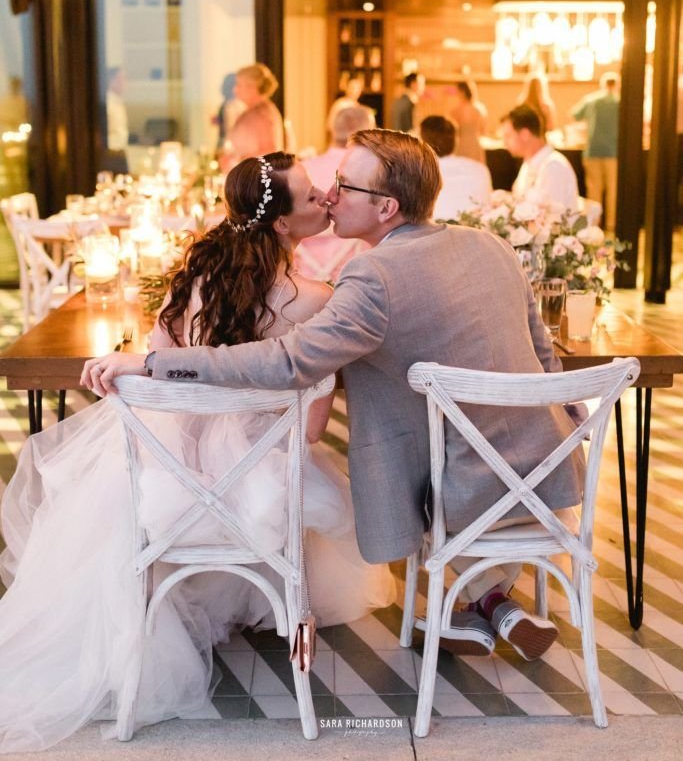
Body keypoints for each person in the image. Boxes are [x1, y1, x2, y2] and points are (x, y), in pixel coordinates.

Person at [86, 129, 585, 664]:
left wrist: (154, 363)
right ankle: (489, 605)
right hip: (553, 474)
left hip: (464, 493)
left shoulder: (370, 276)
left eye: (345, 184)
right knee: (438, 450)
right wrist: (572, 423)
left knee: (417, 467)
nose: (332, 194)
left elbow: (286, 362)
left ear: (386, 206)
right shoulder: (492, 245)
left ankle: (466, 606)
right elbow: (544, 355)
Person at [0, 152, 394, 753]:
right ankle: (273, 604)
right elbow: (311, 432)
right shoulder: (315, 299)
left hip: (168, 484)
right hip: (258, 493)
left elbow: (159, 387)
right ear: (283, 225)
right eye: (314, 196)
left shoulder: (191, 283)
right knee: (314, 484)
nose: (327, 200)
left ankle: (178, 593)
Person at [296, 104, 375, 281]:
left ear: (333, 130)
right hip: (356, 276)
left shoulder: (302, 171)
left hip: (303, 278)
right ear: (368, 135)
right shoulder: (372, 175)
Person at [502, 105, 579, 212]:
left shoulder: (554, 166)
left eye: (508, 136)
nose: (504, 143)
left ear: (525, 134)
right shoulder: (529, 164)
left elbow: (552, 219)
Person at [570, 72, 620, 230]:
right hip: (613, 151)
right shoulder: (620, 102)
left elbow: (575, 115)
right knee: (613, 190)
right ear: (617, 84)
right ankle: (611, 225)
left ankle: (594, 225)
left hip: (593, 150)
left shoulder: (592, 100)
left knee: (594, 191)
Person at [420, 115, 492, 219]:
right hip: (475, 232)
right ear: (456, 140)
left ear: (422, 142)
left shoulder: (418, 173)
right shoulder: (480, 169)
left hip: (433, 233)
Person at [224, 63, 286, 168]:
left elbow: (270, 152)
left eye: (239, 85)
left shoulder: (263, 113)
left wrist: (237, 160)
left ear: (252, 87)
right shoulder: (253, 111)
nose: (235, 90)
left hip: (259, 180)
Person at [449, 80, 487, 163]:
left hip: (462, 145)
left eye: (457, 92)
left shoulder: (455, 111)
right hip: (476, 145)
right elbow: (483, 131)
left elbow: (453, 132)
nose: (456, 95)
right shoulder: (480, 109)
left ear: (462, 92)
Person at [104, 65, 129, 174]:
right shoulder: (107, 103)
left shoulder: (118, 102)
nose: (124, 83)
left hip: (119, 151)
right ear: (112, 81)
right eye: (121, 79)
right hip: (110, 153)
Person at [214, 71, 246, 153]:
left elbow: (231, 127)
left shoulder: (234, 105)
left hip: (229, 145)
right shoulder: (229, 104)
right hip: (225, 141)